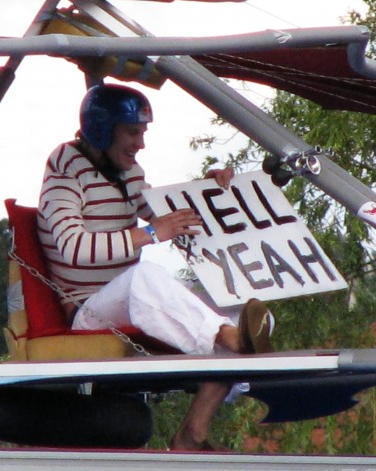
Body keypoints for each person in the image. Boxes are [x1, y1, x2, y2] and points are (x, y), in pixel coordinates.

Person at [37, 83, 274, 451]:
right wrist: (149, 232)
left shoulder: (129, 173)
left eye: (143, 133)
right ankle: (229, 339)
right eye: (133, 132)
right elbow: (74, 247)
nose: (140, 144)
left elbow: (171, 217)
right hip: (88, 311)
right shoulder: (65, 170)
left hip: (131, 301)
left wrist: (208, 191)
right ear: (102, 129)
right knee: (144, 277)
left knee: (236, 301)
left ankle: (191, 434)